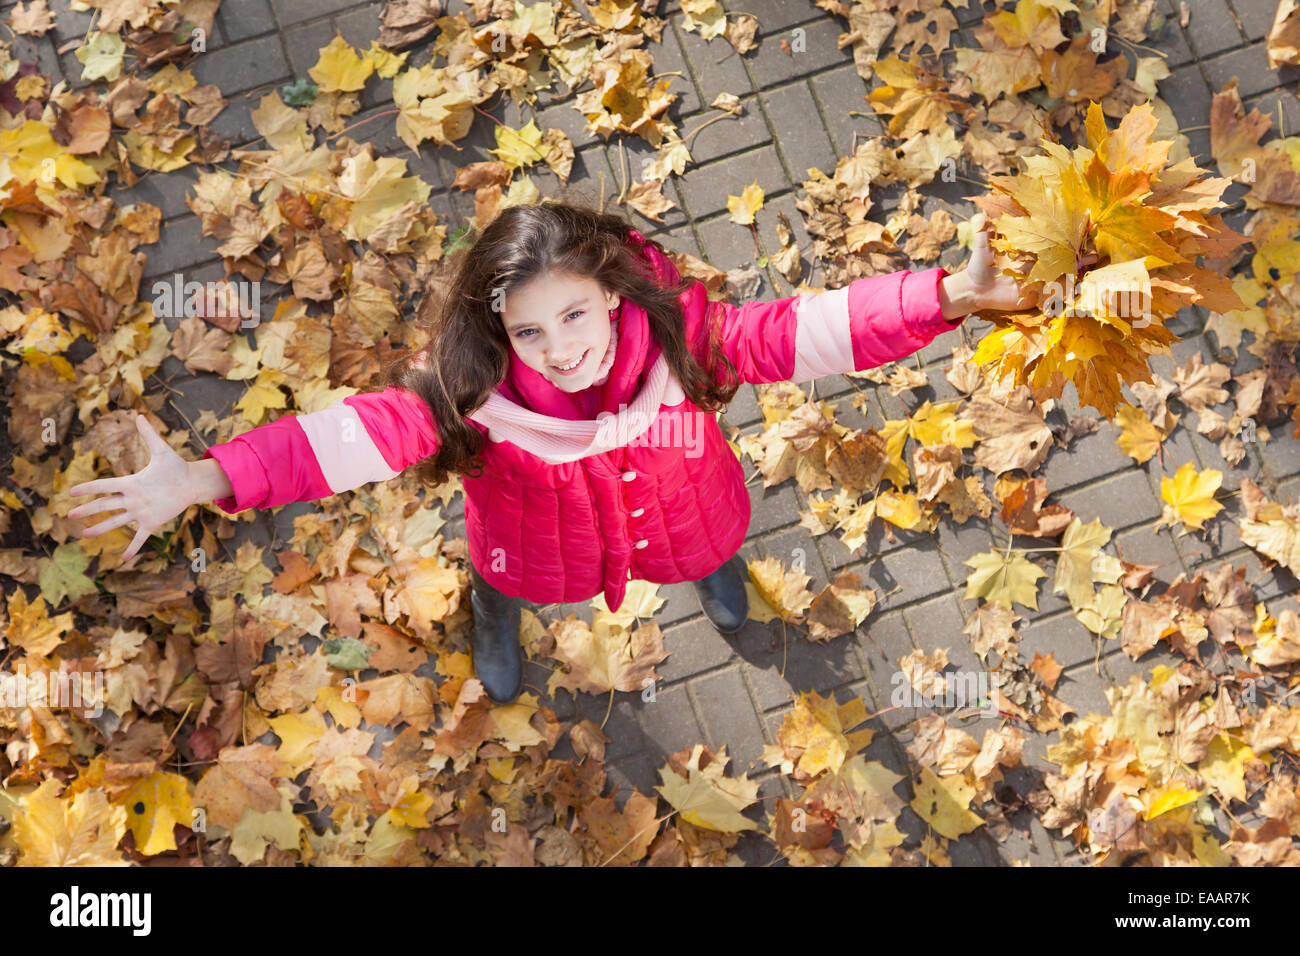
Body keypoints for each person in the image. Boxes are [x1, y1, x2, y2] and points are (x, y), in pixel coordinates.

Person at [68, 198, 1037, 706]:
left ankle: (714, 567)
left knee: (707, 546)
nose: (563, 347)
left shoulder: (682, 340)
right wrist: (206, 475)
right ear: (501, 333)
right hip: (532, 543)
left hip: (685, 507)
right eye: (531, 332)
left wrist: (944, 297)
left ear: (613, 291)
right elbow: (348, 437)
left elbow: (809, 328)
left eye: (575, 314)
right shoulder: (472, 393)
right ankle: (497, 614)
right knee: (509, 583)